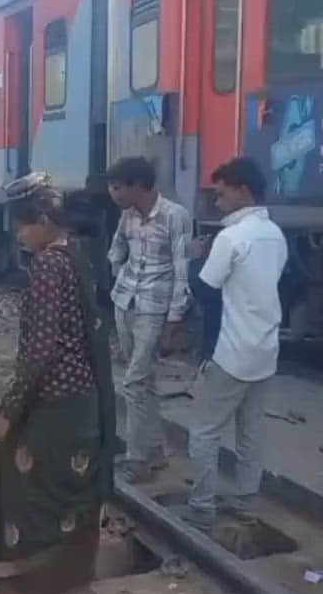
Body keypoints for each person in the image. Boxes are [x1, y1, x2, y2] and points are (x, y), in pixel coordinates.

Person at [0, 172, 118, 594]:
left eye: (22, 226)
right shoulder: (76, 254)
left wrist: (8, 412)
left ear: (41, 220)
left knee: (26, 498)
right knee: (77, 501)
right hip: (84, 405)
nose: (19, 236)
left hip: (53, 406)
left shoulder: (45, 269)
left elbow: (38, 353)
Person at [179, 157, 287, 533]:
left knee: (204, 431)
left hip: (229, 350)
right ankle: (244, 503)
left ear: (242, 191)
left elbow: (205, 289)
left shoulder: (230, 238)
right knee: (250, 432)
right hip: (265, 349)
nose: (217, 200)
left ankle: (201, 507)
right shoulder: (275, 234)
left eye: (222, 193)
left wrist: (194, 259)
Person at [105, 156, 192, 482]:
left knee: (133, 382)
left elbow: (182, 270)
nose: (113, 194)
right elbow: (116, 249)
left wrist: (175, 318)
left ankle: (136, 458)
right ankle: (156, 451)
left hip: (154, 309)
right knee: (144, 381)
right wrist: (119, 270)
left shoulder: (175, 216)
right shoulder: (127, 216)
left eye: (117, 188)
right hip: (125, 302)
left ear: (138, 186)